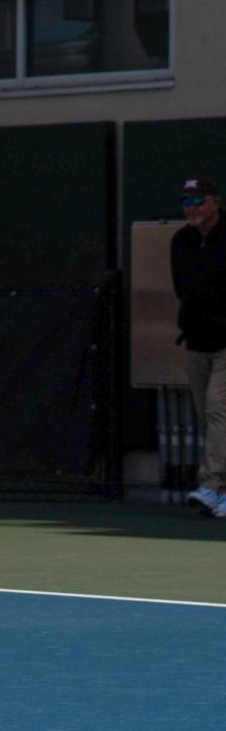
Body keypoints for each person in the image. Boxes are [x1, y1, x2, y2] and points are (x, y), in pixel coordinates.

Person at [170, 176, 226, 519]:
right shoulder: (181, 241)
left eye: (197, 201)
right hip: (196, 341)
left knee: (218, 408)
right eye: (185, 202)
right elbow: (184, 289)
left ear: (214, 203)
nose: (190, 208)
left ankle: (211, 486)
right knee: (209, 416)